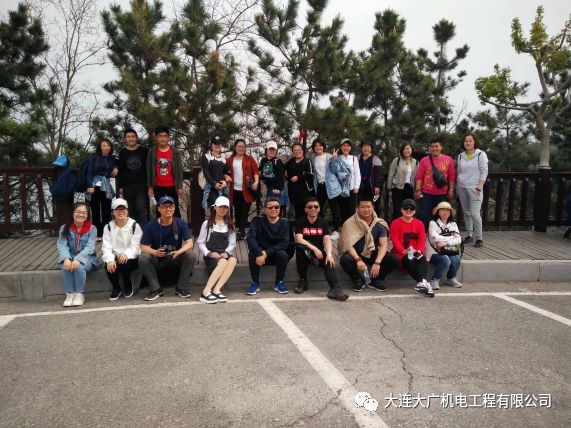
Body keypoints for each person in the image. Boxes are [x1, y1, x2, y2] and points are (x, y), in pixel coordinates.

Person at [139, 196, 197, 301]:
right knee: (143, 258)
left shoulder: (180, 223)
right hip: (157, 258)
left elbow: (189, 243)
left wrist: (178, 252)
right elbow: (143, 247)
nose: (168, 209)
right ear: (159, 209)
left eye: (170, 206)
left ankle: (181, 287)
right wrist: (155, 252)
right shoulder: (151, 225)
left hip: (174, 257)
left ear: (174, 208)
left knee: (191, 255)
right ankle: (156, 289)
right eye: (165, 207)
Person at [338, 197, 399, 292]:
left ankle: (375, 281)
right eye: (362, 207)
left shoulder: (379, 224)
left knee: (394, 259)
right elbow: (348, 245)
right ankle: (358, 280)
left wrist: (377, 262)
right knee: (345, 259)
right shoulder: (349, 223)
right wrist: (358, 260)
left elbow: (383, 245)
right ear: (357, 208)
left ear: (373, 208)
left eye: (368, 206)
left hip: (372, 253)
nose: (366, 209)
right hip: (356, 254)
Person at [294, 197, 349, 301]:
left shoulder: (323, 222)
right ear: (305, 209)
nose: (313, 208)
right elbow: (299, 239)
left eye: (316, 206)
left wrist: (329, 254)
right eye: (310, 207)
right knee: (300, 251)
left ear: (319, 209)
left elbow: (327, 240)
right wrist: (314, 249)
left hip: (319, 253)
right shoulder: (300, 221)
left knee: (329, 261)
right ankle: (302, 281)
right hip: (306, 250)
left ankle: (335, 289)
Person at [246, 197, 292, 295]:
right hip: (260, 255)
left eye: (276, 207)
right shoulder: (257, 221)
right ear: (265, 209)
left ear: (280, 208)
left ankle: (279, 282)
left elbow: (284, 243)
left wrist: (266, 253)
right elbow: (250, 238)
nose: (273, 209)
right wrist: (259, 252)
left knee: (283, 254)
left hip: (275, 253)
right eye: (270, 207)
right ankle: (255, 283)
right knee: (253, 253)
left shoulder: (285, 222)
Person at [196, 196, 237, 304]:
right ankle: (205, 291)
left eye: (225, 207)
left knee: (233, 260)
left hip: (224, 253)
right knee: (223, 262)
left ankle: (216, 290)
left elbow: (232, 243)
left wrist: (227, 252)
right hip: (211, 255)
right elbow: (200, 242)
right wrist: (209, 253)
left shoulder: (230, 224)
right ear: (215, 207)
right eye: (220, 207)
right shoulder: (207, 224)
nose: (223, 209)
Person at [389, 199, 434, 297]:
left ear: (414, 211)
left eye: (411, 208)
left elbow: (422, 239)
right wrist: (403, 251)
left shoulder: (419, 223)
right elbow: (395, 240)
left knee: (422, 258)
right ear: (401, 210)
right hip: (401, 254)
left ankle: (423, 284)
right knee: (409, 260)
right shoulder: (395, 223)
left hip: (415, 252)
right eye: (406, 208)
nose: (408, 210)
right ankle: (426, 284)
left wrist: (419, 250)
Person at [56, 202, 98, 307]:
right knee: (65, 267)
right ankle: (70, 294)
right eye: (78, 212)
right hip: (70, 257)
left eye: (84, 212)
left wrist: (78, 259)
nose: (81, 215)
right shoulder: (64, 228)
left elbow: (90, 247)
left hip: (88, 259)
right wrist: (66, 258)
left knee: (79, 268)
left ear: (87, 214)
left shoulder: (92, 229)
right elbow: (62, 245)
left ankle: (79, 294)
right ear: (72, 213)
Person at [101, 198, 143, 301]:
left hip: (130, 256)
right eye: (117, 209)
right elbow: (106, 246)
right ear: (112, 212)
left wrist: (126, 254)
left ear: (127, 211)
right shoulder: (108, 227)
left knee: (124, 263)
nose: (120, 212)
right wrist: (110, 260)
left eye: (123, 209)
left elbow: (136, 247)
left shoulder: (134, 225)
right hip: (115, 254)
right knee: (109, 265)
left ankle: (127, 283)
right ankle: (116, 288)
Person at [456, 132, 489, 248]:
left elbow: (484, 171)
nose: (468, 143)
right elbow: (459, 172)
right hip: (462, 187)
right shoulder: (461, 156)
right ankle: (469, 235)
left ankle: (478, 238)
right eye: (466, 141)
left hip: (475, 188)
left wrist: (480, 187)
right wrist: (457, 186)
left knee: (475, 214)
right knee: (466, 213)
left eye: (470, 140)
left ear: (475, 142)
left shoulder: (481, 154)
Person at [415, 139, 455, 228]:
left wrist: (451, 190)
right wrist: (418, 189)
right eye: (432, 147)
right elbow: (419, 176)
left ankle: (441, 232)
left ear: (441, 147)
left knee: (442, 215)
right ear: (429, 149)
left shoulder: (449, 160)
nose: (434, 148)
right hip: (426, 193)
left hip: (442, 193)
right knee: (424, 214)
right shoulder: (424, 160)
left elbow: (451, 177)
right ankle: (425, 233)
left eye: (437, 146)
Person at [147, 125, 184, 218]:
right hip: (157, 186)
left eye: (165, 136)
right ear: (156, 137)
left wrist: (179, 186)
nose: (162, 138)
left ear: (168, 137)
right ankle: (160, 227)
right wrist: (150, 187)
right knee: (160, 210)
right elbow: (149, 169)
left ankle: (176, 227)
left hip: (172, 186)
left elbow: (180, 169)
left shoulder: (175, 151)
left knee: (174, 209)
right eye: (160, 136)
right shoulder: (152, 151)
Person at [226, 138, 259, 240]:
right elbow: (225, 171)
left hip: (247, 190)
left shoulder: (249, 159)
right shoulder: (229, 160)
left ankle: (242, 231)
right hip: (235, 189)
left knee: (245, 211)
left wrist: (256, 181)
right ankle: (239, 230)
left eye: (243, 147)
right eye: (239, 146)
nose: (241, 148)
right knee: (237, 211)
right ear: (235, 148)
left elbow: (255, 171)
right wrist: (226, 176)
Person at [426, 202, 463, 290]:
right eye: (442, 210)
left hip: (449, 249)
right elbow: (434, 237)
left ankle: (451, 278)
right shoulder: (433, 223)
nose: (445, 212)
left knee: (456, 259)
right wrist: (451, 237)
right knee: (445, 259)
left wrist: (446, 243)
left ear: (450, 213)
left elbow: (459, 239)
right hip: (434, 251)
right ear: (438, 212)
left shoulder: (453, 224)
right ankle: (435, 279)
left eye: (447, 210)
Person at [87, 138, 119, 239]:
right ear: (100, 147)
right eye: (104, 146)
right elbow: (89, 172)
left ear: (111, 147)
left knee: (107, 210)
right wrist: (89, 185)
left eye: (108, 146)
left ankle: (107, 233)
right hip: (95, 186)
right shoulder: (94, 158)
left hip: (106, 187)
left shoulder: (112, 159)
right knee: (95, 210)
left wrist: (116, 167)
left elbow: (120, 163)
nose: (106, 148)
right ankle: (97, 233)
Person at [310, 139, 342, 240]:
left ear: (323, 147)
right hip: (320, 186)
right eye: (316, 146)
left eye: (320, 145)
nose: (318, 147)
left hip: (331, 186)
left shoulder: (329, 156)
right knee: (318, 208)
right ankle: (324, 229)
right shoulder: (313, 159)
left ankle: (336, 230)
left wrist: (334, 159)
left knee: (334, 209)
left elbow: (335, 170)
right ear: (314, 148)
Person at [117, 128, 149, 227]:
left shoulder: (144, 150)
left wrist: (150, 185)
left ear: (136, 138)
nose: (131, 138)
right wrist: (121, 186)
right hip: (128, 186)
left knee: (141, 208)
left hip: (142, 185)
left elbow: (148, 168)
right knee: (130, 209)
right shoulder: (123, 152)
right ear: (125, 139)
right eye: (128, 137)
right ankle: (133, 231)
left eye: (133, 136)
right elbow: (121, 170)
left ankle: (143, 231)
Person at [387, 142, 419, 221]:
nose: (406, 150)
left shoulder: (415, 162)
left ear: (411, 150)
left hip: (410, 189)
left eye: (408, 149)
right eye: (404, 149)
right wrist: (389, 189)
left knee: (409, 208)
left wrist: (417, 189)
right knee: (397, 209)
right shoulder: (397, 160)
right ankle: (395, 226)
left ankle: (407, 226)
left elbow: (418, 177)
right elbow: (391, 174)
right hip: (398, 188)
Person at [200, 135, 230, 213]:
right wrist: (214, 184)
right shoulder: (207, 156)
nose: (217, 145)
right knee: (214, 210)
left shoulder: (223, 158)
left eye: (219, 144)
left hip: (222, 188)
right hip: (211, 188)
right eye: (215, 144)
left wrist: (225, 182)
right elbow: (206, 173)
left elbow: (226, 173)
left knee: (222, 211)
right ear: (211, 145)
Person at [285, 143, 314, 218]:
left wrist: (298, 177)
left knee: (305, 211)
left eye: (299, 149)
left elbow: (310, 173)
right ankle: (298, 225)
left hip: (305, 191)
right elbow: (282, 168)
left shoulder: (307, 161)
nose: (297, 152)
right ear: (293, 152)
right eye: (295, 150)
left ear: (303, 150)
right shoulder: (291, 161)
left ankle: (305, 225)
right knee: (297, 212)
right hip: (293, 191)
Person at [259, 140, 287, 217]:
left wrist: (279, 189)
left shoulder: (278, 161)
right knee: (269, 209)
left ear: (276, 151)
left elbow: (281, 176)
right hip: (269, 188)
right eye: (270, 149)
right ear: (266, 150)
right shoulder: (263, 161)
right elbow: (261, 172)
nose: (272, 151)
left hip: (277, 188)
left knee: (277, 211)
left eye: (273, 150)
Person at [338, 138, 361, 223]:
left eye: (348, 146)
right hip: (341, 188)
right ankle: (344, 227)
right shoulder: (338, 158)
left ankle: (352, 227)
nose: (346, 148)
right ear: (341, 147)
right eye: (344, 146)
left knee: (351, 209)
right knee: (342, 209)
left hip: (351, 188)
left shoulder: (354, 158)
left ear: (350, 148)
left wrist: (356, 186)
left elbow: (357, 173)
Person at [358, 141, 384, 216]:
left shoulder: (375, 159)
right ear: (361, 148)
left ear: (371, 148)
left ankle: (375, 220)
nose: (366, 148)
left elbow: (380, 174)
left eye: (368, 147)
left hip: (373, 188)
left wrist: (378, 186)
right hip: (361, 188)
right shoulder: (358, 158)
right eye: (364, 147)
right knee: (362, 205)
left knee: (374, 205)